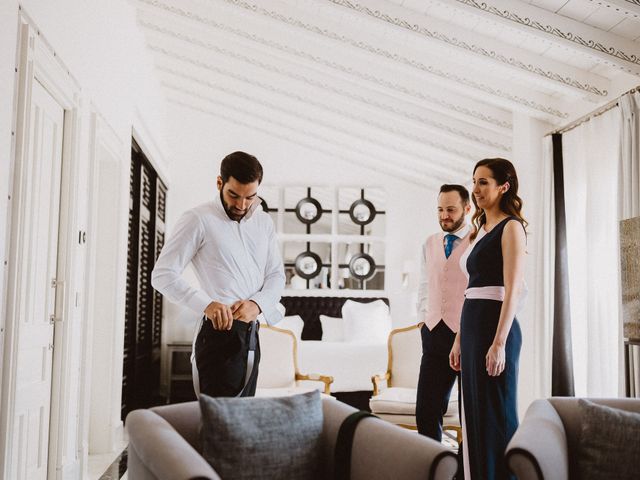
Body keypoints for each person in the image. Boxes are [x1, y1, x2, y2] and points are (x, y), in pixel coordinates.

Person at [151, 151, 285, 398]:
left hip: (252, 334)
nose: (241, 205)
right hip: (219, 334)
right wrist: (207, 305)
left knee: (242, 421)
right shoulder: (197, 219)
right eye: (234, 195)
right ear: (219, 183)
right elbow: (162, 274)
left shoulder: (264, 223)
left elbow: (276, 275)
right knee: (218, 426)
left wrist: (257, 304)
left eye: (250, 197)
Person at [449, 158, 527, 480]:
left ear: (503, 186)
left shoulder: (511, 228)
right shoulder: (481, 229)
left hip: (496, 329)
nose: (476, 189)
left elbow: (513, 290)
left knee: (496, 413)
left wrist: (499, 343)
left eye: (484, 182)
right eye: (474, 181)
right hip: (472, 328)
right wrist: (458, 339)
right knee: (474, 413)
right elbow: (470, 289)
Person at [416, 184, 471, 443]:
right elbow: (424, 284)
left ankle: (464, 469)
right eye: (440, 209)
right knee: (426, 410)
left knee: (468, 411)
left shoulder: (479, 241)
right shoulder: (429, 243)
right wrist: (422, 320)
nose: (444, 216)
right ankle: (433, 465)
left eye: (451, 209)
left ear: (467, 209)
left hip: (469, 335)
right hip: (434, 333)